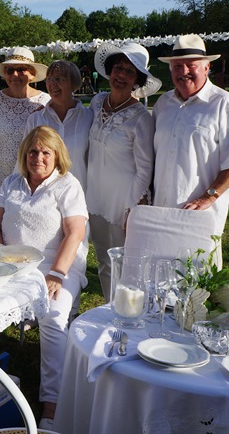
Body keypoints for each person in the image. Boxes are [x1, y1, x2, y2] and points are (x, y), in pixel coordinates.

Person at [0, 126, 88, 429]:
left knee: (54, 318)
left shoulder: (67, 185)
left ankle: (51, 405)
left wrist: (57, 274)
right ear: (24, 154)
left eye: (46, 152)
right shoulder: (11, 182)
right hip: (13, 265)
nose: (38, 158)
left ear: (57, 156)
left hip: (58, 265)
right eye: (33, 151)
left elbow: (76, 233)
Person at [153, 34, 229, 241]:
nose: (184, 72)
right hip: (160, 213)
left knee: (198, 270)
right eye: (177, 66)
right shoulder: (163, 104)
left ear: (207, 68)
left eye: (191, 65)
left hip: (200, 215)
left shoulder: (224, 104)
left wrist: (209, 196)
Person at [88, 42, 160, 300]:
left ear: (137, 80)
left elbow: (145, 170)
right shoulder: (96, 103)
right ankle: (109, 311)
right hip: (95, 197)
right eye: (118, 68)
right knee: (103, 260)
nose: (121, 75)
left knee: (125, 266)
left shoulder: (141, 117)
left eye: (130, 72)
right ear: (110, 70)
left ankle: (127, 314)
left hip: (123, 203)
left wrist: (131, 210)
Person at [0, 47, 50, 195]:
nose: (15, 75)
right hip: (1, 177)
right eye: (9, 70)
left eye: (21, 69)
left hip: (36, 176)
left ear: (32, 74)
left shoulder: (45, 102)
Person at [25, 60, 92, 192]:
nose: (52, 84)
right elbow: (24, 159)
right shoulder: (36, 119)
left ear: (73, 83)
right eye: (49, 79)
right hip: (43, 196)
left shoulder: (88, 117)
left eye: (59, 79)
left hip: (78, 195)